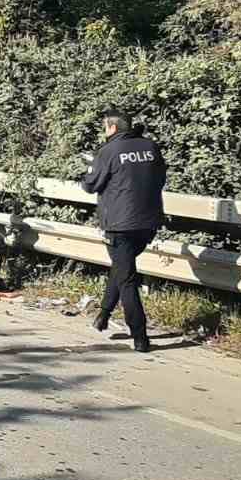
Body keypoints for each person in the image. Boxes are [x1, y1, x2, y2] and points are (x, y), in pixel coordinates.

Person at [80, 108, 167, 352]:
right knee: (122, 267)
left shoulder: (108, 151)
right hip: (148, 222)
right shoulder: (150, 147)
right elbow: (161, 178)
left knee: (127, 277)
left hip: (119, 224)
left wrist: (86, 172)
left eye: (105, 127)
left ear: (112, 128)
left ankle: (140, 335)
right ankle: (104, 315)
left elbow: (91, 185)